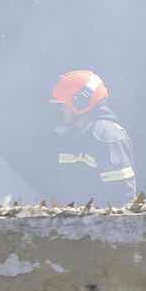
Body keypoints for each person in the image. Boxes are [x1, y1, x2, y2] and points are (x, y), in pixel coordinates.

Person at [49, 70, 138, 205]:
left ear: (80, 102)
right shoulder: (72, 137)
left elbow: (122, 200)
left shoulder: (108, 137)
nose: (61, 109)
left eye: (64, 104)